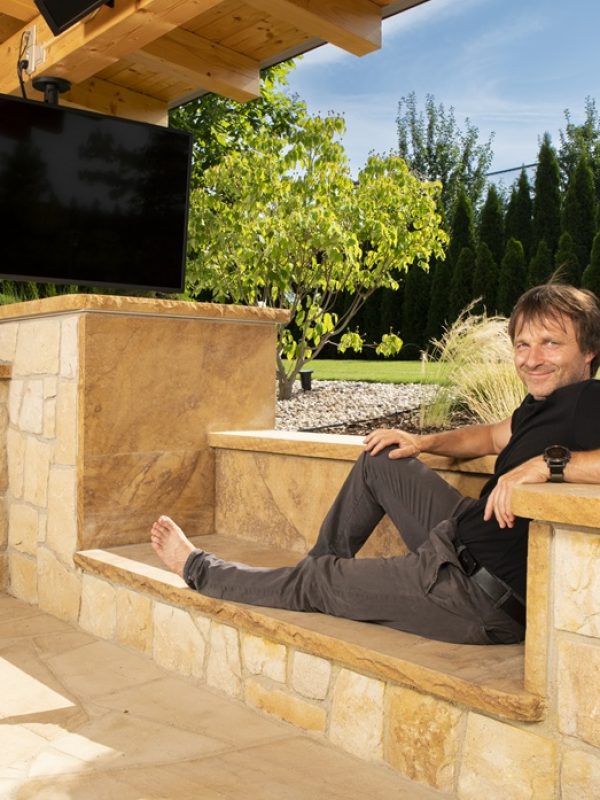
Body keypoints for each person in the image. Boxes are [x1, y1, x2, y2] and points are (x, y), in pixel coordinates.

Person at [151, 284, 600, 645]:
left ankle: (202, 570)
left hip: (471, 593)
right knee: (381, 459)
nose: (532, 358)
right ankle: (311, 580)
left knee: (319, 581)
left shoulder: (589, 400)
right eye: (523, 344)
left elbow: (558, 460)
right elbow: (489, 435)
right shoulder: (545, 404)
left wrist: (550, 465)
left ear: (589, 352)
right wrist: (421, 441)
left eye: (550, 343)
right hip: (458, 536)